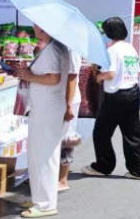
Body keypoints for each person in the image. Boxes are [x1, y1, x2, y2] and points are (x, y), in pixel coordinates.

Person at [13, 25, 70, 218]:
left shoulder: (54, 49)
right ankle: (40, 198)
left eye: (37, 25)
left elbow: (53, 78)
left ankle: (45, 204)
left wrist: (29, 76)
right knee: (39, 154)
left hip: (47, 108)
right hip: (44, 107)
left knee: (44, 155)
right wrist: (28, 73)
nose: (34, 27)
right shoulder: (54, 47)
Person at [83, 17, 140, 180]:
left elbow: (110, 74)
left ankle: (104, 165)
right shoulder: (130, 48)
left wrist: (99, 77)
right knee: (132, 133)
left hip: (116, 96)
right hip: (133, 92)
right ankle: (137, 169)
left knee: (101, 133)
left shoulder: (112, 50)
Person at [58, 51, 82, 192]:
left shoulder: (72, 50)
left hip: (69, 100)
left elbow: (72, 76)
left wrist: (68, 105)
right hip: (57, 99)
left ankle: (63, 179)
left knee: (66, 139)